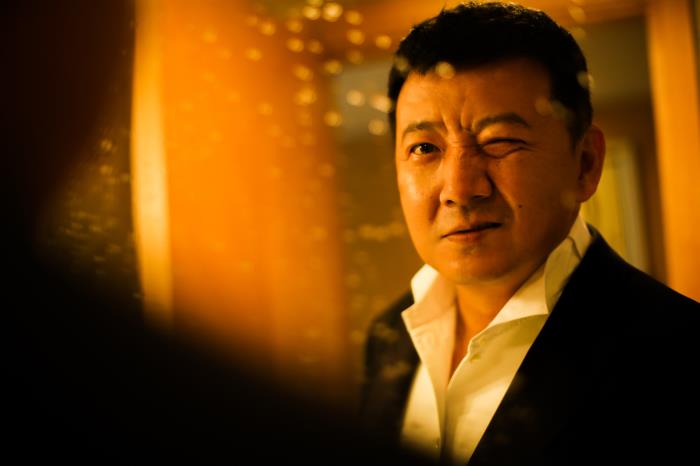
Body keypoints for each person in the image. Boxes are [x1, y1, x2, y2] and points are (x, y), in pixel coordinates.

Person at [360, 2, 700, 465]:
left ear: (585, 164)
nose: (460, 188)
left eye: (500, 142)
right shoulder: (387, 337)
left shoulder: (674, 350)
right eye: (424, 148)